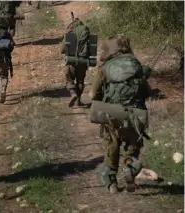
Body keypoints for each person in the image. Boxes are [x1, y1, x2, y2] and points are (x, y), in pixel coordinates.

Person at [89, 34, 152, 194]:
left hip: (113, 113)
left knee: (113, 144)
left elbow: (92, 95)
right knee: (133, 143)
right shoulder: (136, 65)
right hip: (136, 113)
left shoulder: (103, 68)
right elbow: (146, 92)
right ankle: (130, 165)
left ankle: (111, 183)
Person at [60, 17, 91, 108]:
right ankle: (78, 101)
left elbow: (62, 50)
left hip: (71, 62)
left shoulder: (70, 34)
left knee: (69, 79)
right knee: (80, 81)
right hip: (83, 61)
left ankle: (73, 94)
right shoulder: (87, 34)